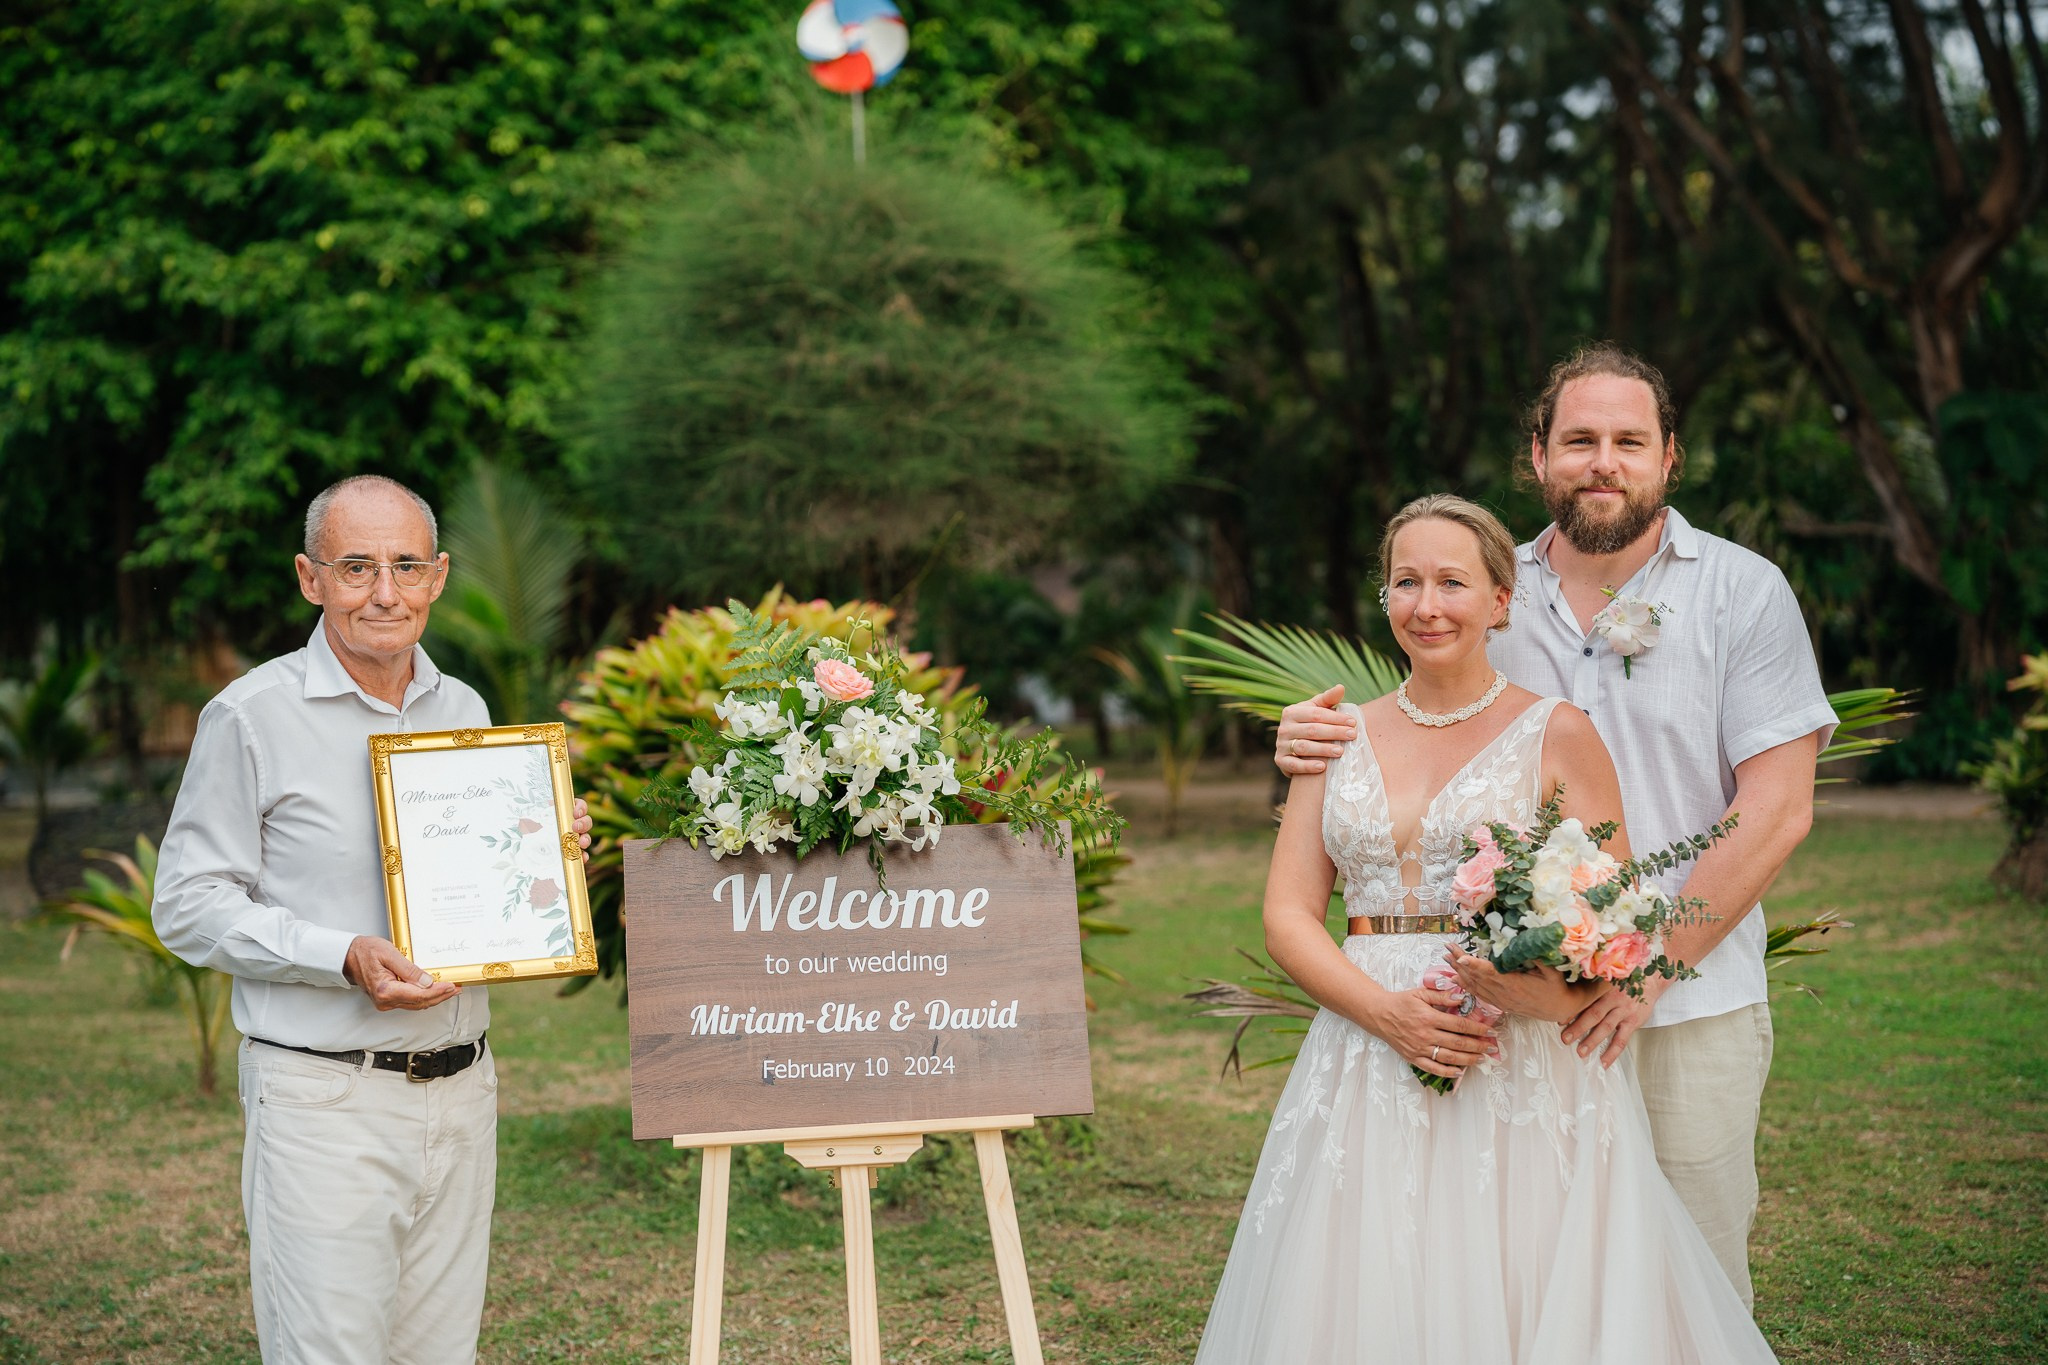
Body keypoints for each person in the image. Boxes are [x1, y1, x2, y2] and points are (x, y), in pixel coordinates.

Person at [1272, 343, 1836, 1306]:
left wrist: (1647, 969)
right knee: (1525, 1281)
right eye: (1579, 439)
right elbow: (1415, 738)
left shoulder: (1743, 591)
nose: (1602, 462)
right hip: (1513, 1016)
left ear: (1670, 457)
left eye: (1629, 440)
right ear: (1539, 454)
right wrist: (1302, 737)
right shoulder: (1483, 583)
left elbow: (1778, 807)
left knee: (1689, 1279)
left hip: (1689, 999)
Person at [1196, 494, 1776, 1362]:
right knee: (1368, 1278)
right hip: (1365, 1045)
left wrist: (1537, 989)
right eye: (1405, 582)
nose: (1427, 605)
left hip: (1517, 1058)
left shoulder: (1558, 732)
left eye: (1453, 582)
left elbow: (1611, 922)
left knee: (1519, 1271)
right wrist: (1386, 1014)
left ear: (1502, 600)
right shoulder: (1332, 735)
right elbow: (1287, 914)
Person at [153, 474, 592, 1364]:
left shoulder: (463, 708)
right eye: (356, 567)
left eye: (405, 567)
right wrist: (339, 954)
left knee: (440, 1353)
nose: (384, 592)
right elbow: (188, 903)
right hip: (325, 1099)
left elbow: (479, 868)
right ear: (310, 578)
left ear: (438, 576)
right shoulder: (250, 715)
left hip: (463, 1088)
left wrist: (544, 844)